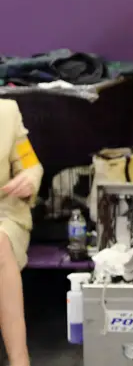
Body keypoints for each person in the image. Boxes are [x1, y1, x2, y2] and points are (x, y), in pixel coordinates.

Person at [0, 99, 43, 366]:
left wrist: (29, 179)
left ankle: (19, 360)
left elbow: (30, 164)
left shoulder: (6, 113)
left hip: (4, 213)